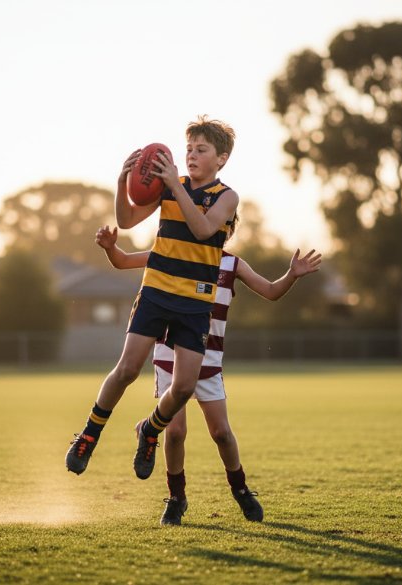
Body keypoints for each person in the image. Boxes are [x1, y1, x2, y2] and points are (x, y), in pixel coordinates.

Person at [93, 223, 322, 525]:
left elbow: (270, 291)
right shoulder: (171, 253)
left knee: (221, 434)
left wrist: (292, 274)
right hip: (169, 355)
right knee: (175, 432)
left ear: (228, 230)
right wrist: (110, 248)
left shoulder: (232, 264)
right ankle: (176, 499)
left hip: (208, 359)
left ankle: (240, 491)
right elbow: (123, 261)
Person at [66, 116, 240, 482]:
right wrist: (120, 182)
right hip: (157, 292)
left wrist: (176, 187)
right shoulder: (170, 185)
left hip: (194, 303)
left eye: (201, 150)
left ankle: (149, 430)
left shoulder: (226, 197)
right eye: (188, 148)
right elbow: (127, 220)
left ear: (221, 159)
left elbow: (203, 228)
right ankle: (89, 434)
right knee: (127, 369)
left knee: (183, 388)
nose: (191, 155)